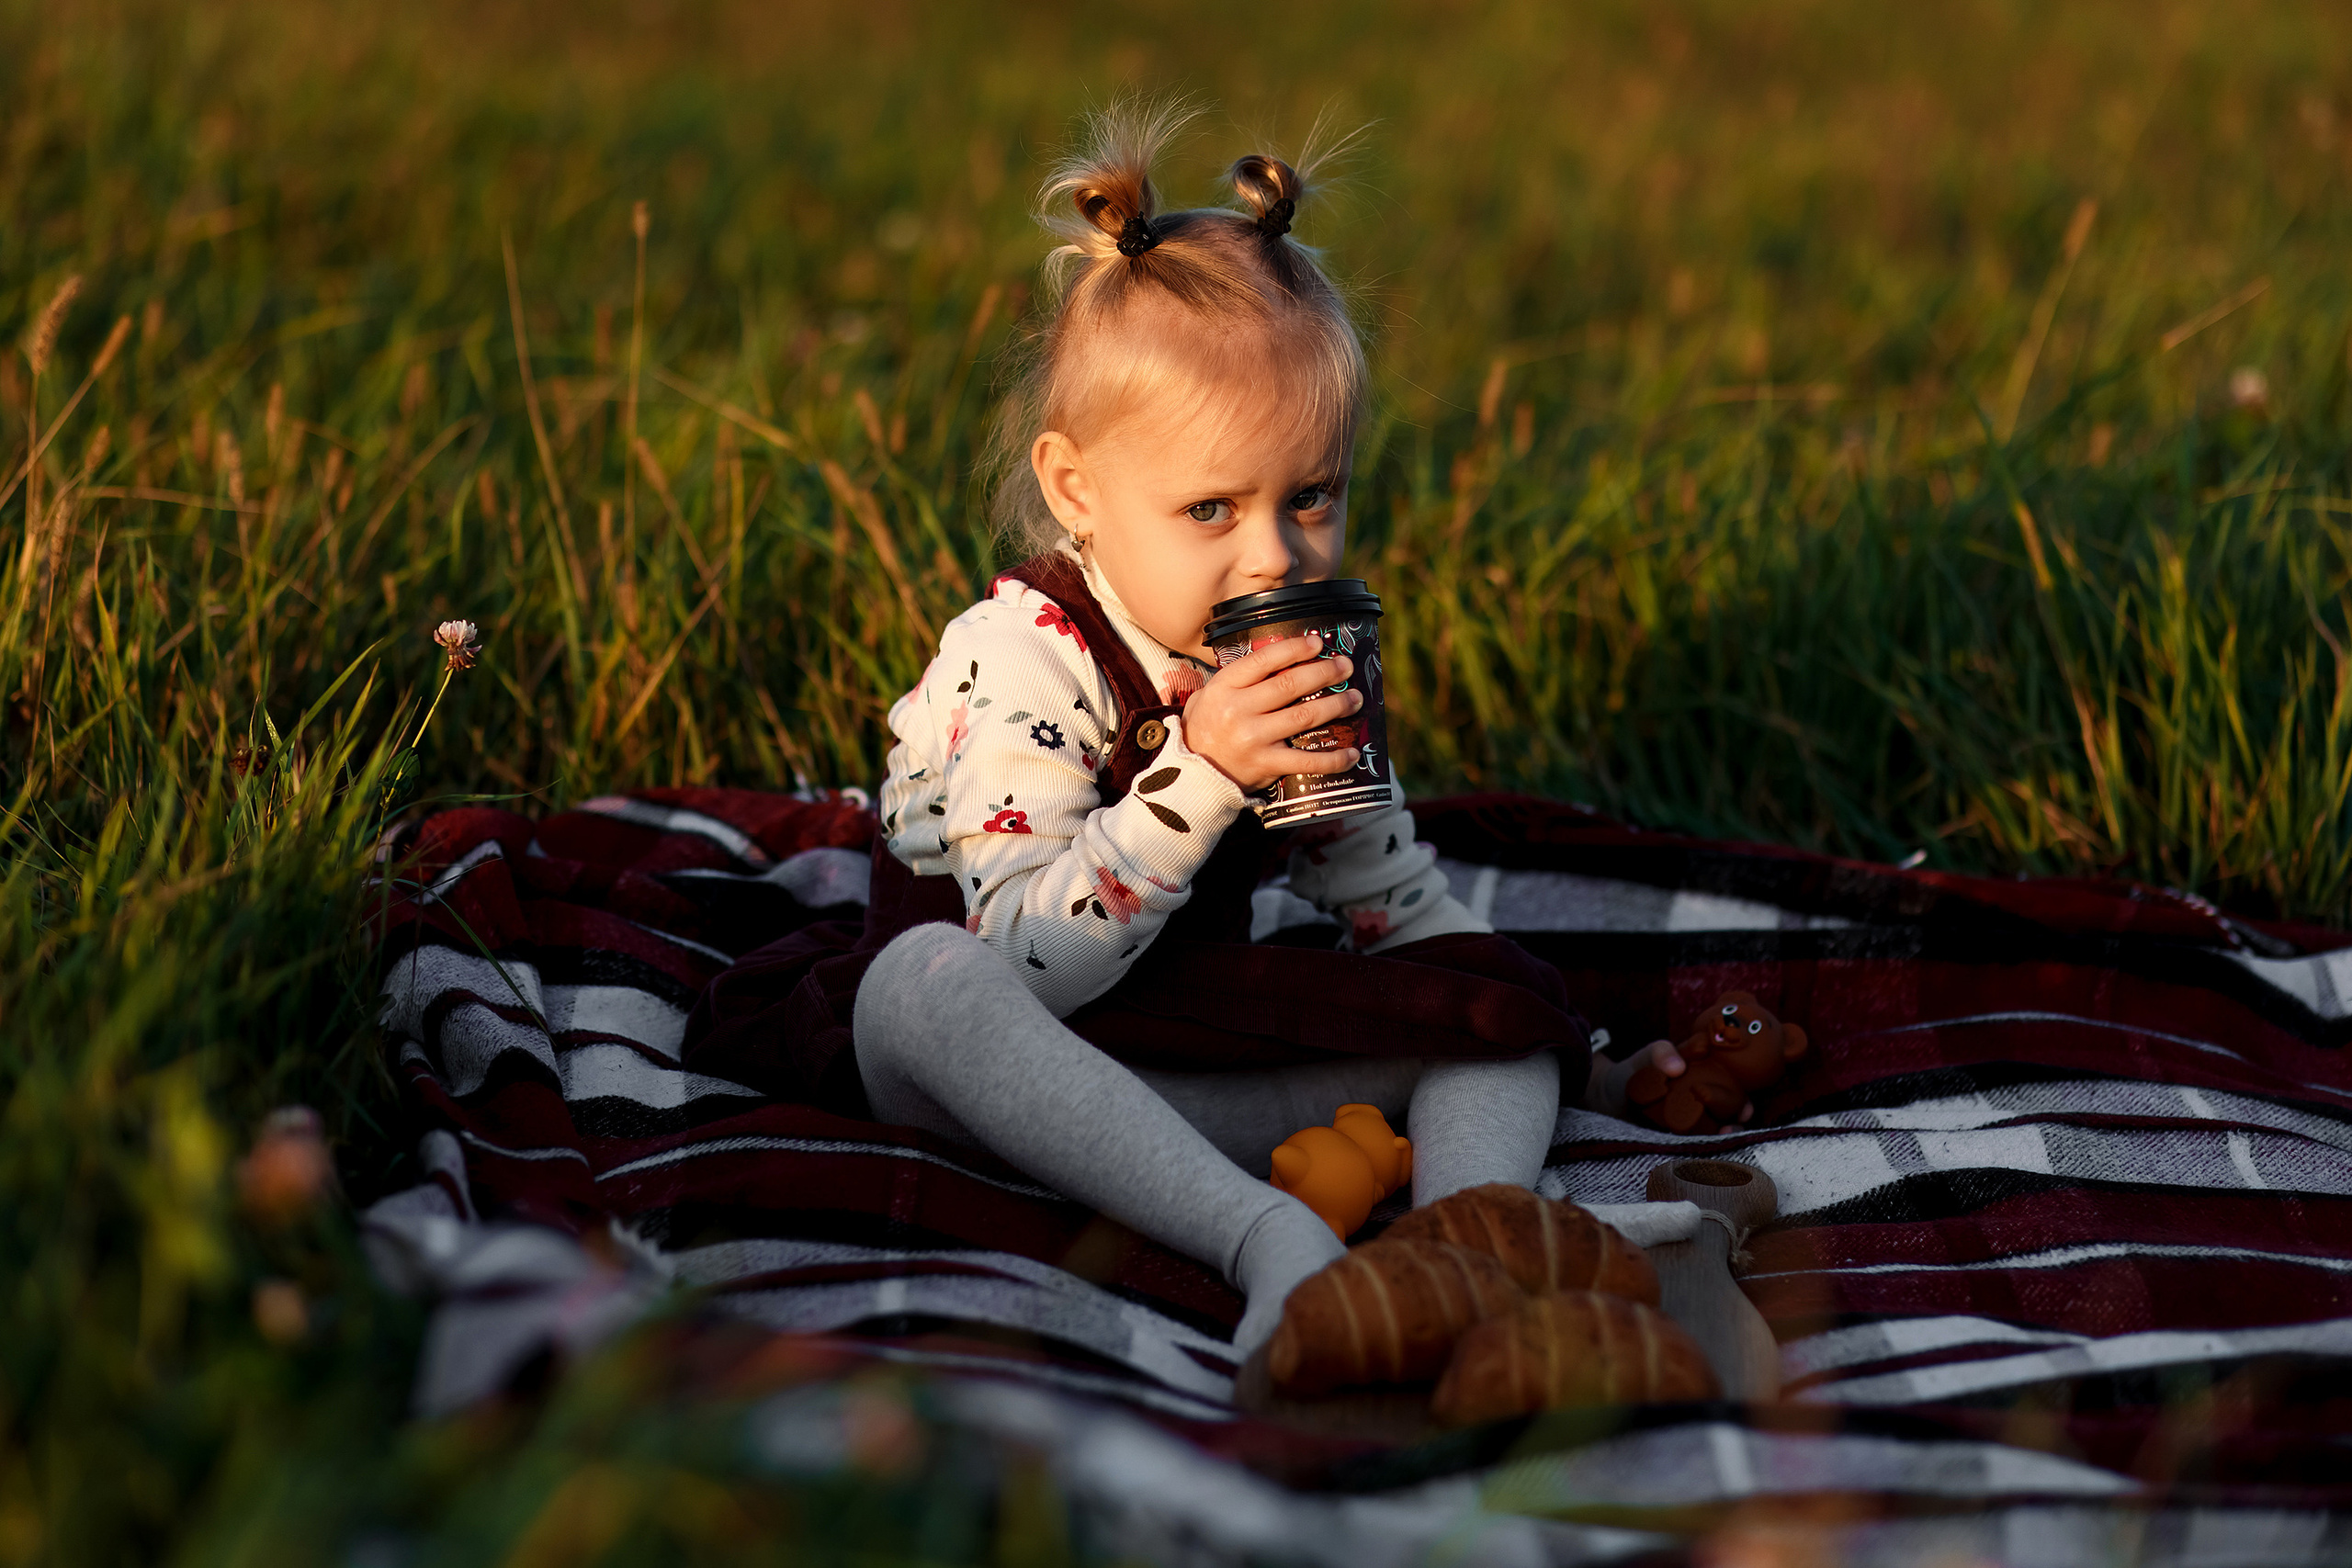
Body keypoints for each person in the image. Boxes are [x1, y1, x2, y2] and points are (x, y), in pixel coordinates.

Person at [686, 107, 1695, 1356]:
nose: (1274, 556)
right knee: (918, 986)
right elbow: (1030, 962)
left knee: (1481, 1017)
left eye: (1310, 495)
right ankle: (1268, 1243)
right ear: (1077, 489)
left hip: (1187, 1072)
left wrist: (1561, 1043)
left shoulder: (1299, 653)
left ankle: (1474, 1248)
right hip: (1006, 1079)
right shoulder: (1024, 657)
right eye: (1210, 508)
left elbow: (1394, 906)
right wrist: (1203, 771)